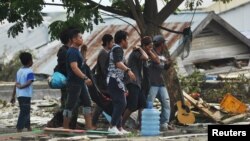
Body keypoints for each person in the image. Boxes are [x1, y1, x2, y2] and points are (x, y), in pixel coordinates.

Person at [106, 30, 136, 134]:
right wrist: (129, 70)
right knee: (121, 103)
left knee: (119, 103)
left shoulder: (115, 49)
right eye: (127, 40)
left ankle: (119, 127)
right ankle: (112, 126)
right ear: (122, 40)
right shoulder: (118, 49)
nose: (128, 42)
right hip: (114, 79)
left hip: (116, 80)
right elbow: (118, 63)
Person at [63, 29, 92, 129]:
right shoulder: (72, 52)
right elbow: (74, 68)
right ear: (74, 39)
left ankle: (89, 127)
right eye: (80, 37)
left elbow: (79, 65)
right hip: (74, 83)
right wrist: (85, 77)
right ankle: (65, 127)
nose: (82, 39)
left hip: (80, 83)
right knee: (70, 105)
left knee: (87, 103)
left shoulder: (77, 51)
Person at [122, 37, 149, 129]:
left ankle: (140, 126)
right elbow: (146, 57)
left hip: (138, 83)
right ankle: (120, 125)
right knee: (132, 106)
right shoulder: (136, 52)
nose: (150, 49)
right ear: (144, 46)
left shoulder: (138, 53)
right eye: (149, 47)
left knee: (143, 104)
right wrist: (140, 48)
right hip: (132, 82)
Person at [146, 35, 173, 131]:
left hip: (161, 83)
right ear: (161, 44)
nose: (165, 45)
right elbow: (157, 63)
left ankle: (164, 124)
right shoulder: (151, 53)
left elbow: (164, 67)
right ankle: (147, 123)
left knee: (166, 103)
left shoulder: (162, 54)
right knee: (149, 103)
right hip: (152, 83)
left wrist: (168, 63)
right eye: (164, 43)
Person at [92, 34, 114, 128]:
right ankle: (93, 122)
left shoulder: (107, 53)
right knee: (102, 103)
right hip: (103, 83)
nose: (113, 44)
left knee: (105, 102)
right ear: (108, 42)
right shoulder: (103, 53)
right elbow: (104, 70)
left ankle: (113, 122)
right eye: (112, 42)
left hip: (106, 82)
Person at [10, 52, 35, 132]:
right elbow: (29, 82)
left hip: (19, 95)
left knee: (26, 110)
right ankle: (19, 128)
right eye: (32, 60)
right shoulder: (29, 71)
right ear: (29, 61)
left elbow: (16, 84)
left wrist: (13, 96)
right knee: (24, 112)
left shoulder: (19, 71)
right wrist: (21, 86)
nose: (32, 61)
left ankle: (28, 127)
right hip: (26, 95)